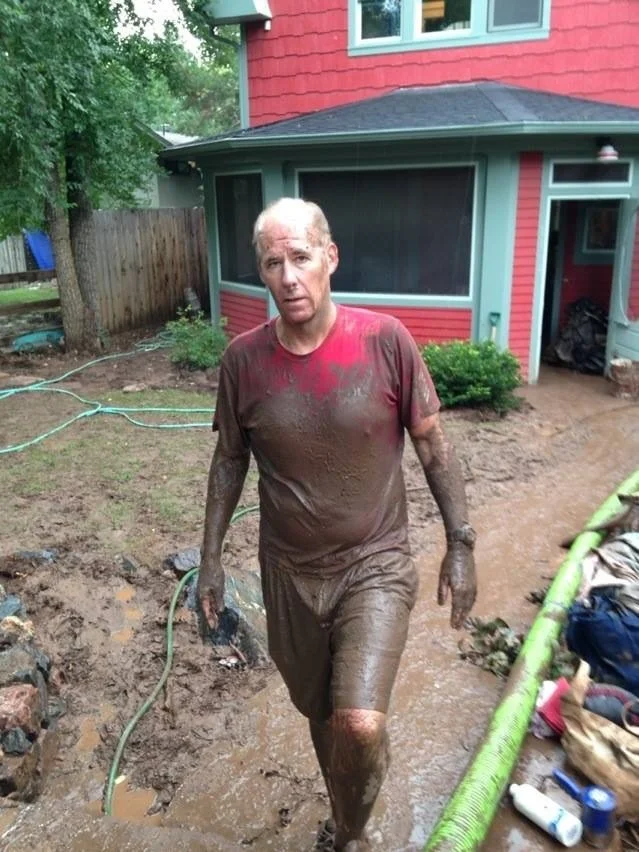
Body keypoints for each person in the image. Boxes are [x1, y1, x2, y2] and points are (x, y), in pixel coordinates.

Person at [197, 197, 477, 851]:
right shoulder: (243, 361)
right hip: (287, 572)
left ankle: (352, 834)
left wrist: (459, 544)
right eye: (273, 262)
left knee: (356, 722)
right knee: (320, 712)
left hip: (373, 563)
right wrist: (209, 559)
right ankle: (347, 801)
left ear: (330, 257)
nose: (288, 276)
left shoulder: (384, 341)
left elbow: (433, 445)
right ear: (262, 273)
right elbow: (227, 461)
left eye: (300, 257)